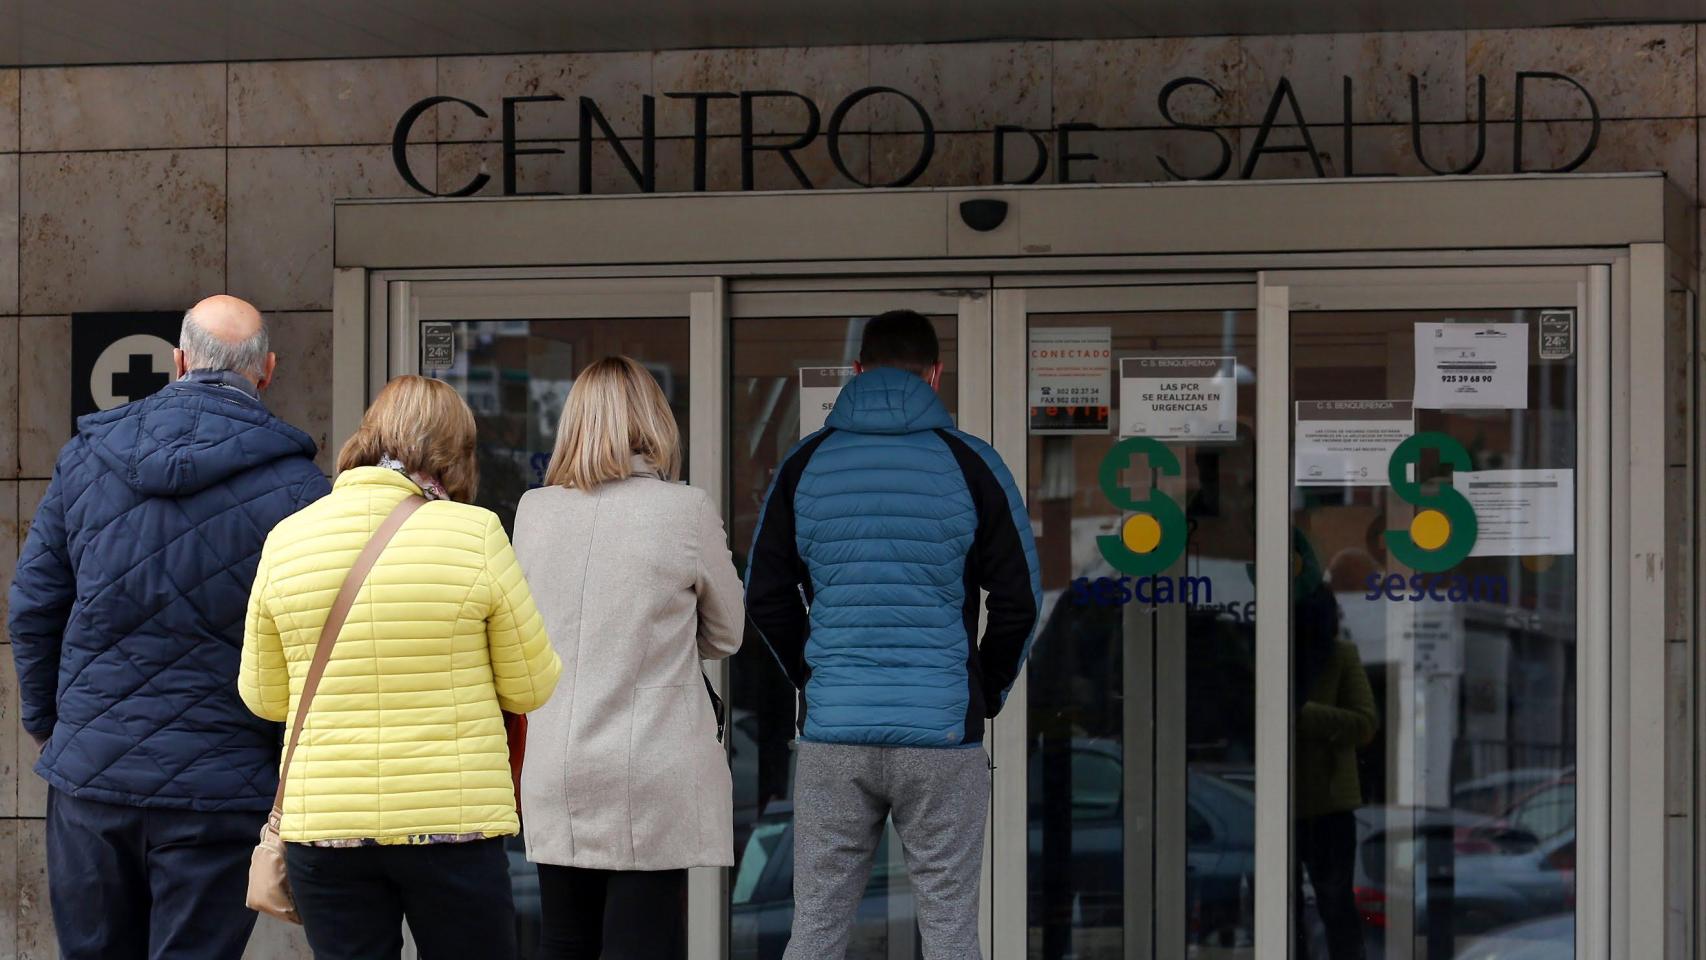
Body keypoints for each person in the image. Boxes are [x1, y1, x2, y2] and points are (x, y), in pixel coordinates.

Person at [7, 295, 329, 960]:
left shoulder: (87, 458)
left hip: (92, 779)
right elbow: (313, 645)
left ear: (178, 360)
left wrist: (51, 723)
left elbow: (34, 605)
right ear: (266, 369)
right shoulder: (300, 487)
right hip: (221, 787)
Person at [745, 310, 1042, 959]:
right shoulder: (972, 464)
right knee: (950, 932)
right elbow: (1020, 599)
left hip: (835, 736)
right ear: (935, 374)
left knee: (817, 930)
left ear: (856, 372)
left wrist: (817, 677)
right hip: (940, 734)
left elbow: (764, 593)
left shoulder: (806, 465)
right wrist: (978, 691)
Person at [239, 375, 562, 960]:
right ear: (456, 453)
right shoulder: (476, 533)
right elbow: (530, 684)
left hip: (327, 824)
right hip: (451, 824)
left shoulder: (287, 539)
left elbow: (263, 696)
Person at [511, 356, 744, 960]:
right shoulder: (685, 510)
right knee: (641, 944)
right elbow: (727, 634)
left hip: (557, 761)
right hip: (652, 763)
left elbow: (520, 630)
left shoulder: (534, 511)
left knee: (564, 938)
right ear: (654, 422)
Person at [1293, 530, 1377, 960]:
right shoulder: (1274, 655)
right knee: (1285, 914)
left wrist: (1304, 715)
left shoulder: (1340, 656)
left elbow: (1366, 723)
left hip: (1327, 806)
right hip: (1282, 804)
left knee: (1335, 905)